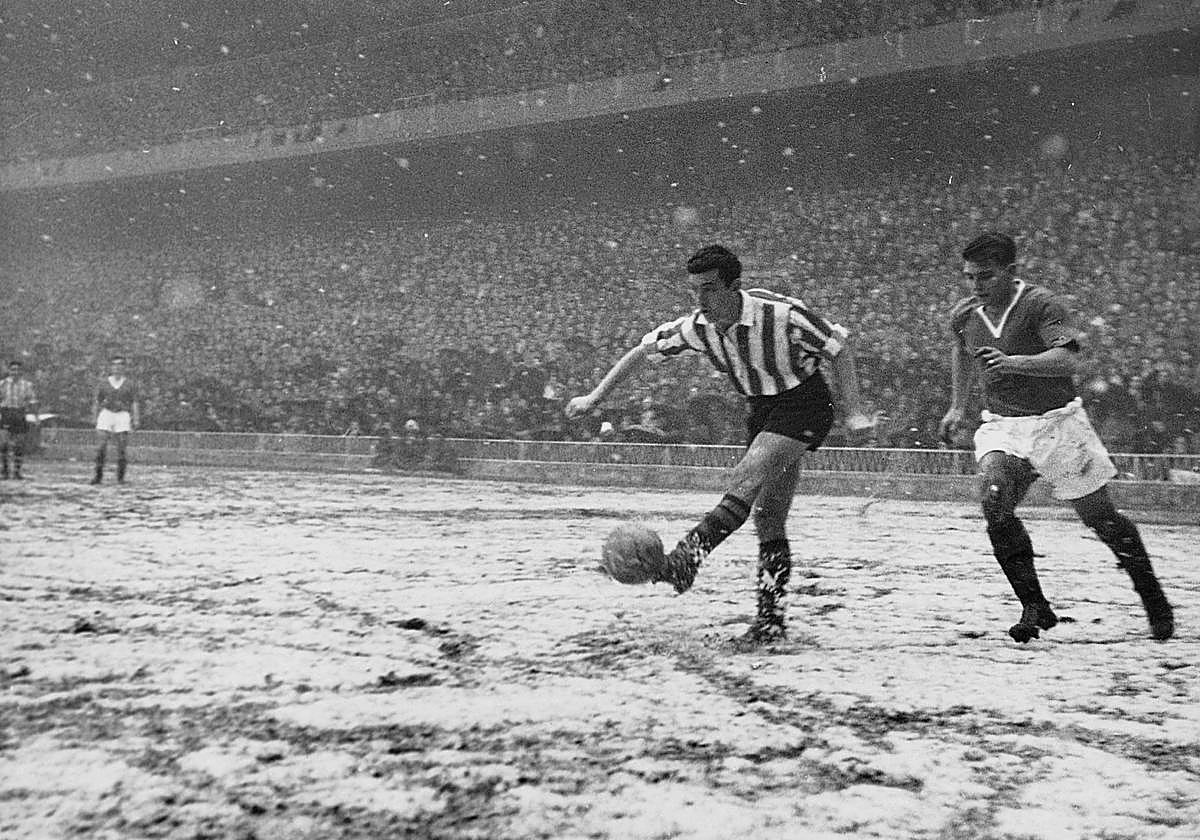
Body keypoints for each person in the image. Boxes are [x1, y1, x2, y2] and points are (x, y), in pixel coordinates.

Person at [566, 244, 874, 644]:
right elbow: (642, 353)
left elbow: (839, 348)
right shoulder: (698, 327)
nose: (701, 300)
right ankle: (770, 623)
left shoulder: (782, 314)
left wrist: (852, 411)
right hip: (762, 409)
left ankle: (687, 557)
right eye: (695, 290)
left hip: (806, 402)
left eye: (709, 288)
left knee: (747, 472)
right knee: (768, 518)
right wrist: (595, 397)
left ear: (735, 287)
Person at [939, 232, 1174, 643]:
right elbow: (961, 351)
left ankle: (1151, 595)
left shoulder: (1041, 304)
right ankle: (1034, 604)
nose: (976, 286)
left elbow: (1067, 358)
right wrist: (958, 406)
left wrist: (1015, 362)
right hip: (1004, 424)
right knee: (994, 499)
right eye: (969, 277)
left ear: (1011, 272)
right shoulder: (966, 314)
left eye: (986, 277)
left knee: (1100, 517)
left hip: (1057, 423)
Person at [91, 355, 141, 485]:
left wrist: (135, 418)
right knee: (101, 446)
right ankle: (98, 475)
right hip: (107, 413)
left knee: (122, 448)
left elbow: (135, 402)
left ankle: (120, 478)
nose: (117, 367)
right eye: (114, 365)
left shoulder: (130, 384)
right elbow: (97, 401)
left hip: (122, 414)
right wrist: (94, 416)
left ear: (124, 368)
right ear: (111, 367)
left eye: (120, 365)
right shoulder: (103, 383)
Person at [1, 360, 39, 480]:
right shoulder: (2, 384)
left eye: (17, 370)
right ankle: (5, 471)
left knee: (19, 445)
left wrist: (36, 416)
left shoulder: (27, 385)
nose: (15, 372)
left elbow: (33, 402)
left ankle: (17, 472)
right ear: (9, 370)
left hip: (19, 413)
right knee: (3, 444)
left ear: (21, 371)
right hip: (6, 412)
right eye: (13, 370)